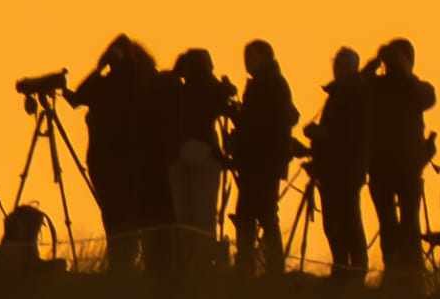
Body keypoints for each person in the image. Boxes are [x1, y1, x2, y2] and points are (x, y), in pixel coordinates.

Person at [66, 35, 157, 272]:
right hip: (121, 159)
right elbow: (79, 98)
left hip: (114, 159)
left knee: (118, 213)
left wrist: (99, 67)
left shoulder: (118, 83)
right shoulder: (140, 80)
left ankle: (123, 262)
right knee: (126, 212)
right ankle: (129, 261)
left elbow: (78, 97)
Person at [364, 39, 436, 280]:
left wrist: (403, 72)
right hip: (383, 166)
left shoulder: (416, 88)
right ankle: (395, 273)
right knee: (388, 224)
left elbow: (427, 98)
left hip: (405, 168)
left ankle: (412, 275)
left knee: (409, 225)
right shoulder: (378, 86)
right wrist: (371, 65)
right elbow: (357, 90)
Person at [228, 40, 299, 276]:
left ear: (264, 57)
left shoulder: (270, 84)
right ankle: (260, 265)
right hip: (258, 161)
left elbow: (267, 123)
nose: (247, 61)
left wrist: (240, 119)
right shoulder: (268, 83)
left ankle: (261, 266)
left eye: (251, 56)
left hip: (262, 162)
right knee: (255, 212)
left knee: (261, 213)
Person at [304, 48, 371, 282]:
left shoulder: (353, 94)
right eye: (337, 64)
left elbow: (349, 134)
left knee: (347, 221)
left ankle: (352, 271)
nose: (337, 68)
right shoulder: (344, 92)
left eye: (341, 65)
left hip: (346, 169)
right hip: (334, 169)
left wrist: (320, 134)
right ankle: (344, 269)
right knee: (336, 222)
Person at [167, 49, 235, 270]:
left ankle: (187, 262)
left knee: (184, 214)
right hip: (205, 153)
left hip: (177, 154)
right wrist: (228, 90)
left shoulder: (176, 90)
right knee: (204, 212)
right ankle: (203, 262)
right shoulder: (212, 88)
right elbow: (228, 107)